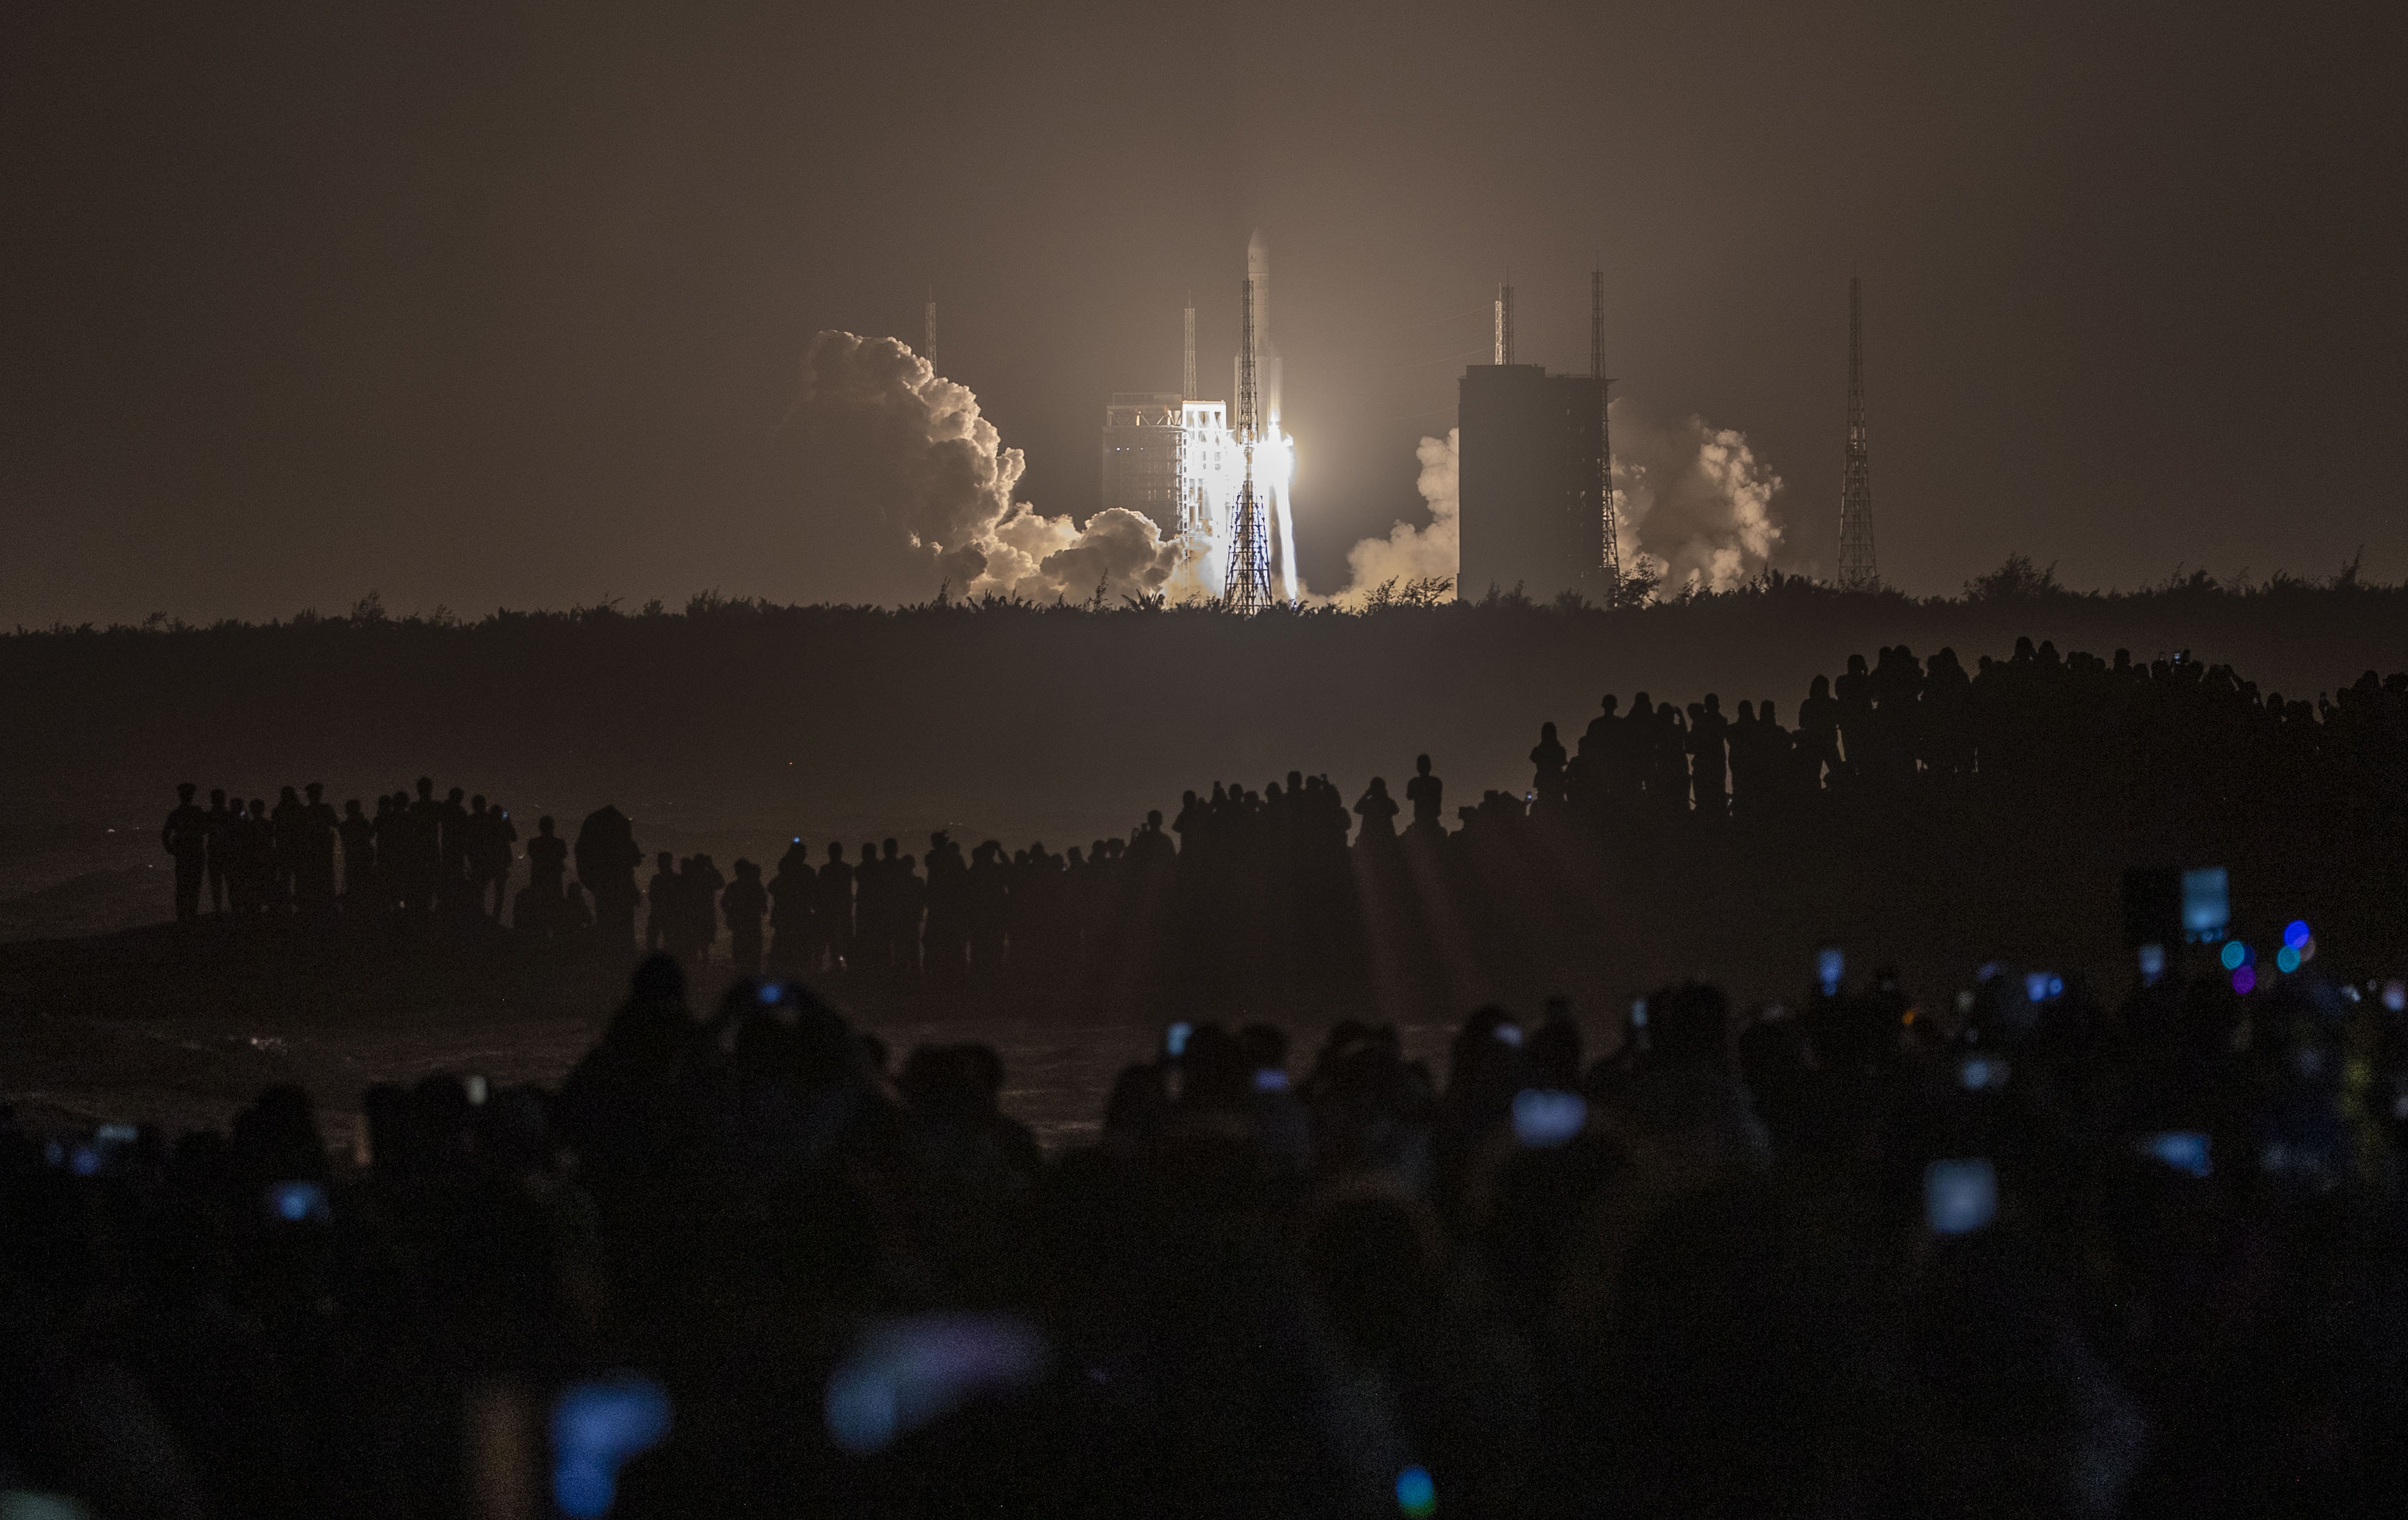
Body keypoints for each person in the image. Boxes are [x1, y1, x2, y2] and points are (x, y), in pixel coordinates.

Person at [161, 782, 209, 924]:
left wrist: (172, 850)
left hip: (183, 854)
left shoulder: (176, 814)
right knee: (194, 884)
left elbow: (165, 834)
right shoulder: (196, 812)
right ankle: (191, 914)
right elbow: (205, 829)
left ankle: (182, 916)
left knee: (183, 885)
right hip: (195, 853)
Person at [722, 859, 768, 977]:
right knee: (754, 955)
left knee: (740, 955)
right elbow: (764, 907)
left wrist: (731, 914)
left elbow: (724, 903)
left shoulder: (734, 886)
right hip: (753, 924)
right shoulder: (756, 886)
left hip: (740, 925)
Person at [1406, 754, 1445, 835]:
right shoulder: (1436, 782)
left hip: (1421, 820)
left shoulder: (1415, 782)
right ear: (1430, 767)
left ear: (1418, 768)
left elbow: (1409, 796)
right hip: (1432, 821)